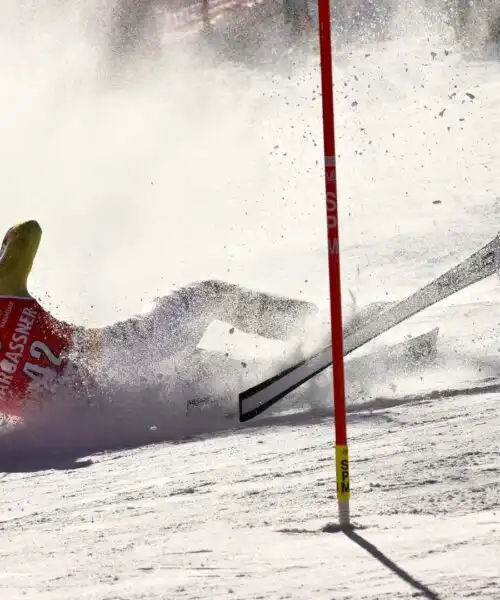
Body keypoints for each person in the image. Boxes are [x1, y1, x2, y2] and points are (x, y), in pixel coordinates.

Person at [0, 220, 318, 417]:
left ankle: (309, 335)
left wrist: (8, 249)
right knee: (206, 307)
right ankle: (310, 335)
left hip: (116, 369)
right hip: (123, 374)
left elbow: (30, 230)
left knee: (201, 328)